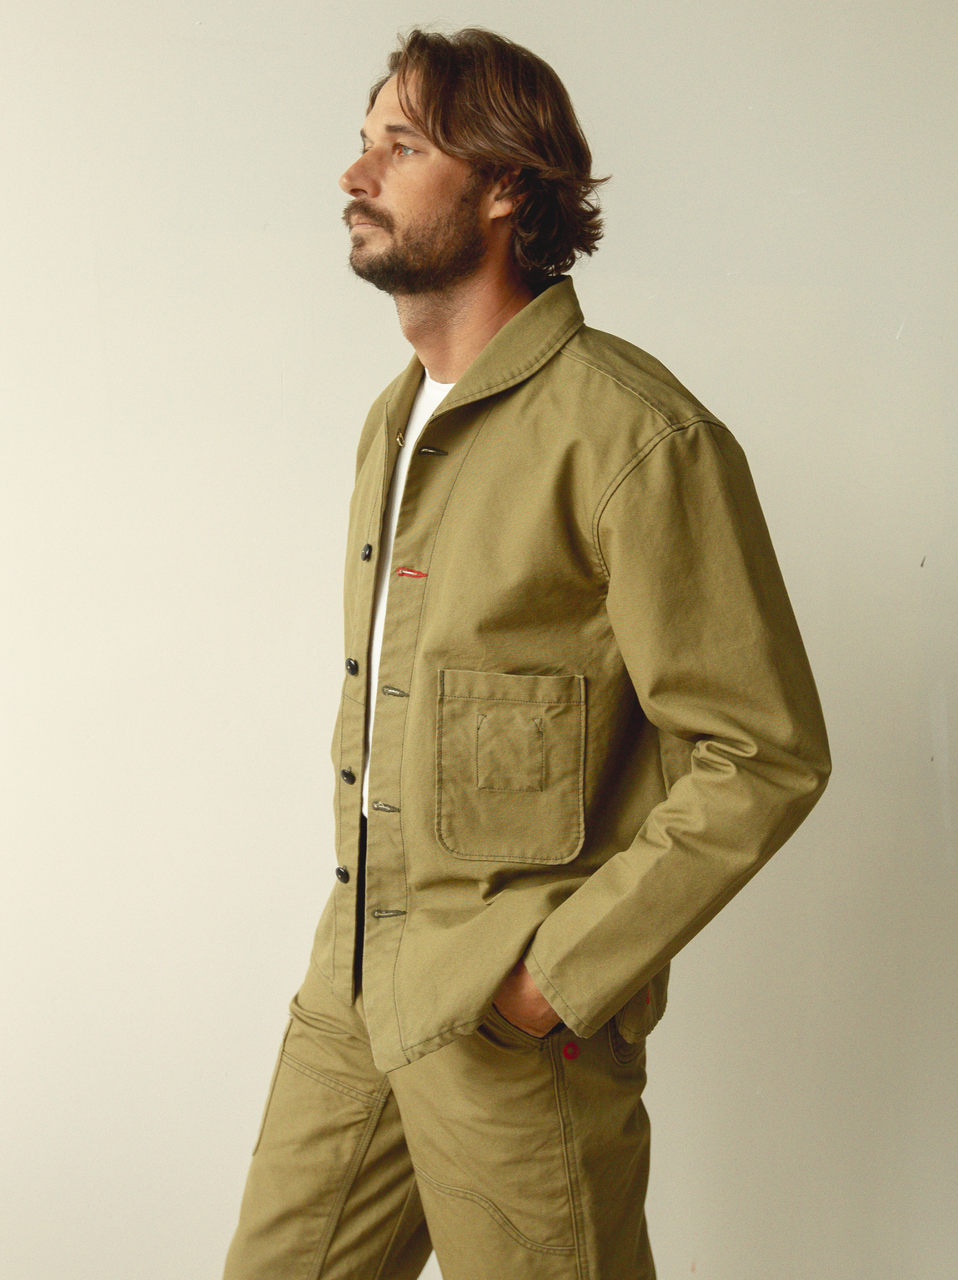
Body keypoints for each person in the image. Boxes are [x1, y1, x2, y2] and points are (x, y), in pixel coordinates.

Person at [223, 27, 830, 1280]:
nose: (355, 173)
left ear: (505, 183)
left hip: (509, 1025)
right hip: (355, 979)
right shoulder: (394, 422)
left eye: (401, 146)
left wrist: (554, 976)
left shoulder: (634, 436)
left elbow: (761, 750)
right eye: (363, 140)